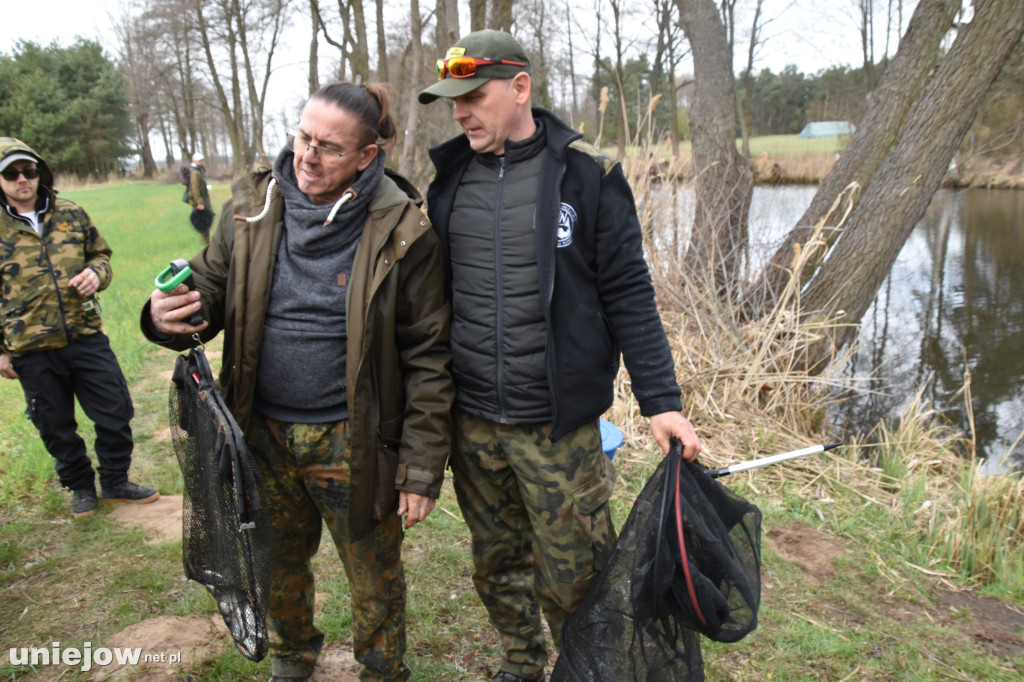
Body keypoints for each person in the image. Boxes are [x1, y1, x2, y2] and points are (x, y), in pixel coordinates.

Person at [141, 83, 453, 682]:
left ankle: (383, 669)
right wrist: (170, 313)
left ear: (365, 157)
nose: (308, 155)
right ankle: (292, 655)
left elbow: (429, 358)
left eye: (329, 148)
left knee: (374, 570)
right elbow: (211, 284)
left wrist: (419, 468)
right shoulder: (253, 207)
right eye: (304, 136)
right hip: (259, 430)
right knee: (275, 560)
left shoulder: (405, 229)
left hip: (355, 438)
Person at [418, 30, 703, 682]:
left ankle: (585, 670)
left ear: (520, 88)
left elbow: (629, 292)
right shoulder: (449, 179)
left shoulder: (587, 175)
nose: (460, 113)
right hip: (473, 424)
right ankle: (522, 665)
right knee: (495, 563)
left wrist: (662, 403)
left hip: (557, 426)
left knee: (574, 574)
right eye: (452, 102)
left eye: (473, 97)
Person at [0, 138, 159, 519]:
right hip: (30, 347)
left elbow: (101, 256)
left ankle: (116, 482)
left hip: (85, 335)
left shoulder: (71, 213)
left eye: (29, 170)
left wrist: (96, 274)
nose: (23, 179)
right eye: (11, 173)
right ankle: (82, 489)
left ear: (40, 172)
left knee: (114, 410)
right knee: (55, 426)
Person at [186, 152, 214, 244]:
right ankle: (205, 242)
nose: (201, 162)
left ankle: (206, 240)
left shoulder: (199, 170)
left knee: (207, 219)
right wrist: (200, 203)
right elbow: (195, 188)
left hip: (203, 199)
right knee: (203, 221)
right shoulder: (195, 173)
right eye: (199, 160)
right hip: (200, 201)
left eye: (202, 160)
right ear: (194, 161)